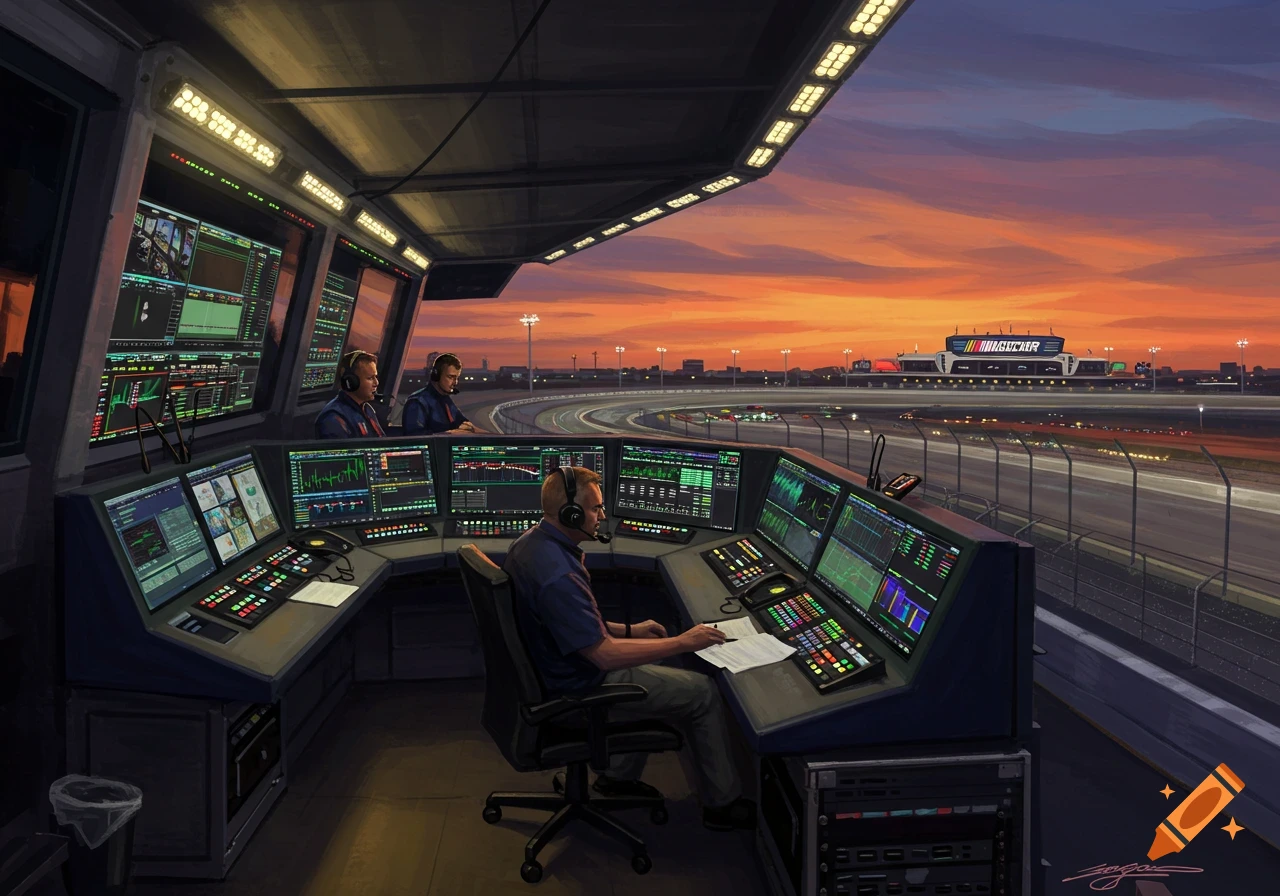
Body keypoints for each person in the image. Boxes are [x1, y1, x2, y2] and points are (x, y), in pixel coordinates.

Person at [503, 466, 756, 831]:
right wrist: (684, 641)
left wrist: (631, 630)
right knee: (701, 692)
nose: (602, 516)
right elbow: (602, 654)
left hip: (553, 670)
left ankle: (616, 777)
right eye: (594, 509)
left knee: (655, 657)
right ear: (570, 514)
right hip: (576, 688)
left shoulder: (532, 544)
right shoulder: (559, 574)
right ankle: (722, 805)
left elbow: (572, 624)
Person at [402, 353, 482, 435]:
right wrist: (449, 434)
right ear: (436, 375)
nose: (455, 383)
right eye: (450, 377)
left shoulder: (445, 400)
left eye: (457, 378)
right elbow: (414, 437)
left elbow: (465, 424)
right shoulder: (417, 402)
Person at [314, 350, 385, 438]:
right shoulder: (334, 418)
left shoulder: (367, 409)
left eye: (376, 377)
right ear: (351, 381)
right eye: (370, 378)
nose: (376, 383)